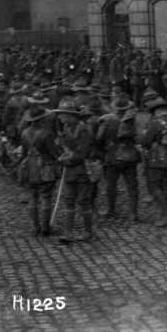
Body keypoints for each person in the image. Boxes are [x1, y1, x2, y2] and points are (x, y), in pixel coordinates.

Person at [54, 100, 96, 243]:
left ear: (71, 115)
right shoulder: (66, 128)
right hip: (70, 170)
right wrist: (61, 150)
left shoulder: (84, 129)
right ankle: (68, 232)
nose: (60, 117)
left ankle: (88, 232)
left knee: (84, 201)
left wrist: (67, 160)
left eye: (62, 114)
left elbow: (82, 153)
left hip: (83, 170)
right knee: (69, 200)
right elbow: (67, 149)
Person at [140, 96, 167, 227]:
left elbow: (146, 141)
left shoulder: (155, 122)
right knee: (166, 187)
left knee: (154, 187)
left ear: (155, 110)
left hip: (155, 159)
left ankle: (165, 215)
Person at [97, 94, 141, 221]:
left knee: (111, 185)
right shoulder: (132, 119)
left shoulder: (107, 119)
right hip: (130, 155)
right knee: (132, 185)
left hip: (112, 155)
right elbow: (138, 137)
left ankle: (111, 210)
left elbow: (99, 138)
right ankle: (134, 213)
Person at [20, 106, 60, 236]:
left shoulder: (24, 133)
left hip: (29, 168)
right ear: (42, 119)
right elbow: (54, 153)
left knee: (33, 196)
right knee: (46, 197)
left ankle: (35, 227)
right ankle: (45, 228)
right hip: (45, 168)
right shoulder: (47, 133)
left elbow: (23, 153)